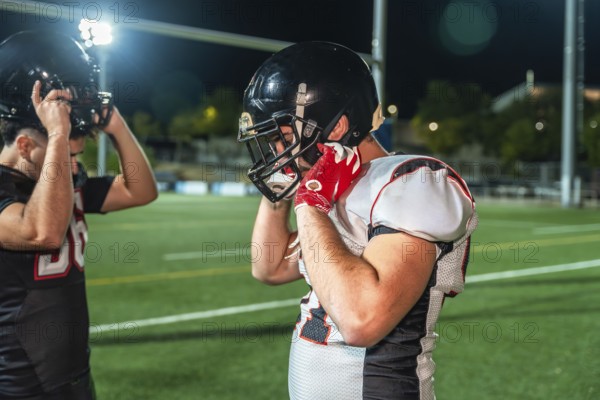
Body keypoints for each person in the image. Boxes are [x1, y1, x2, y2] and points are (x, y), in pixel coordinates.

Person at [238, 41, 478, 399]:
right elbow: (270, 267)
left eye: (283, 137)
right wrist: (282, 193)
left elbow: (362, 320)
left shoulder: (413, 180)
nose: (276, 152)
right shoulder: (334, 186)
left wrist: (310, 201)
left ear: (337, 128)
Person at [0, 30, 158, 399]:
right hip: (18, 385)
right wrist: (57, 136)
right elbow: (41, 232)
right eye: (68, 156)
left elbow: (140, 190)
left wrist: (115, 124)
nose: (74, 167)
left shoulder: (61, 181)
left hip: (73, 376)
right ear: (24, 145)